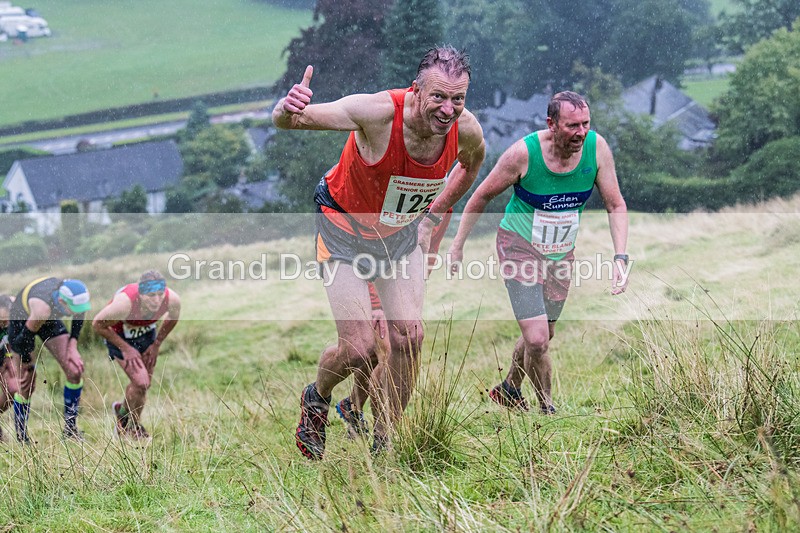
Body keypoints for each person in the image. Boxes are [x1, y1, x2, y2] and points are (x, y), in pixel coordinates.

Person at [273, 45, 485, 459]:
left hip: (398, 236)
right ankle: (317, 397)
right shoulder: (376, 113)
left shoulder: (467, 130)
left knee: (409, 337)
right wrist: (287, 107)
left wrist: (432, 216)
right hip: (342, 228)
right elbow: (290, 121)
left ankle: (386, 443)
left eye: (458, 98)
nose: (448, 110)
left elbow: (472, 165)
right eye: (438, 97)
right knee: (359, 349)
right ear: (415, 90)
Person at [448, 91, 629, 414]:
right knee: (536, 338)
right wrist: (458, 245)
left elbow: (615, 204)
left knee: (546, 333)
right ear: (552, 124)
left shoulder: (596, 149)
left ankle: (509, 389)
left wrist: (620, 256)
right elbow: (480, 197)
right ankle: (548, 409)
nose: (581, 132)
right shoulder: (523, 154)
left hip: (560, 254)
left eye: (586, 124)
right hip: (519, 246)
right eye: (573, 125)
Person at [335, 210, 454, 438]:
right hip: (372, 277)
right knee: (384, 352)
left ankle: (355, 407)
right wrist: (375, 303)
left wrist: (414, 290)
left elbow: (429, 247)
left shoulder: (443, 202)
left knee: (379, 351)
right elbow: (370, 245)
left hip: (403, 282)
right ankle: (384, 430)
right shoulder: (399, 185)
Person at [92, 270, 181, 440]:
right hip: (118, 336)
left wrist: (156, 344)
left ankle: (122, 414)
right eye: (151, 295)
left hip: (147, 335)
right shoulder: (124, 304)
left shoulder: (172, 299)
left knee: (143, 386)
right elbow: (97, 324)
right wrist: (126, 348)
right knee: (141, 382)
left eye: (160, 294)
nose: (156, 300)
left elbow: (174, 318)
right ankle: (134, 428)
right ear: (140, 294)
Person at [8, 277, 91, 442]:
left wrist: (72, 344)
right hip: (22, 326)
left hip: (48, 322)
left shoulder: (72, 296)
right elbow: (22, 342)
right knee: (27, 383)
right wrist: (29, 368)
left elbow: (79, 313)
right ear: (61, 301)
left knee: (74, 371)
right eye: (73, 309)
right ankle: (22, 437)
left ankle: (70, 430)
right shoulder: (42, 309)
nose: (77, 312)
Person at [0, 294, 17, 442]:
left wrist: (9, 356)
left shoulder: (15, 320)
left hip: (3, 358)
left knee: (13, 389)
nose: (5, 323)